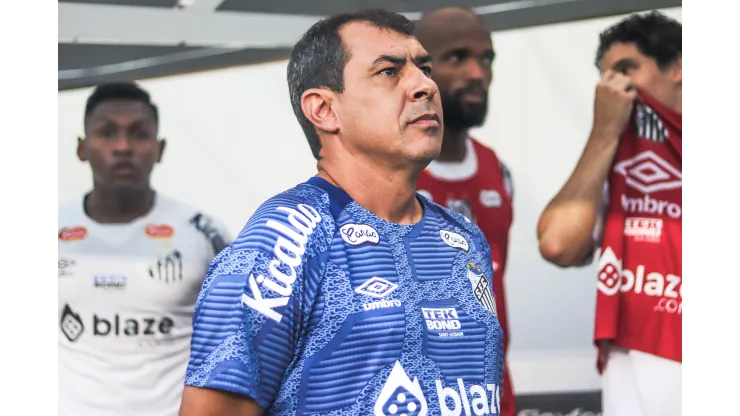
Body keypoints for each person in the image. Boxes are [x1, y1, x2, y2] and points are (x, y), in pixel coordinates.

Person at [179, 8, 505, 416]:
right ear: (324, 110)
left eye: (424, 67)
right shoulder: (283, 237)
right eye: (389, 71)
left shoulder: (463, 236)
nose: (424, 85)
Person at [536, 11, 681, 416]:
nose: (611, 85)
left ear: (679, 69)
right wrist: (603, 133)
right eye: (605, 75)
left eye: (625, 69)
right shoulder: (612, 155)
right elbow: (558, 244)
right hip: (630, 362)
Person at [58, 82, 231, 416]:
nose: (123, 147)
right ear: (82, 148)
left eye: (139, 134)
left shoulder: (203, 231)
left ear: (160, 148)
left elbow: (236, 342)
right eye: (106, 133)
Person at [413, 7, 517, 415]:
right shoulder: (389, 174)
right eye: (457, 57)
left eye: (486, 58)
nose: (477, 72)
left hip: (492, 390)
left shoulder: (498, 170)